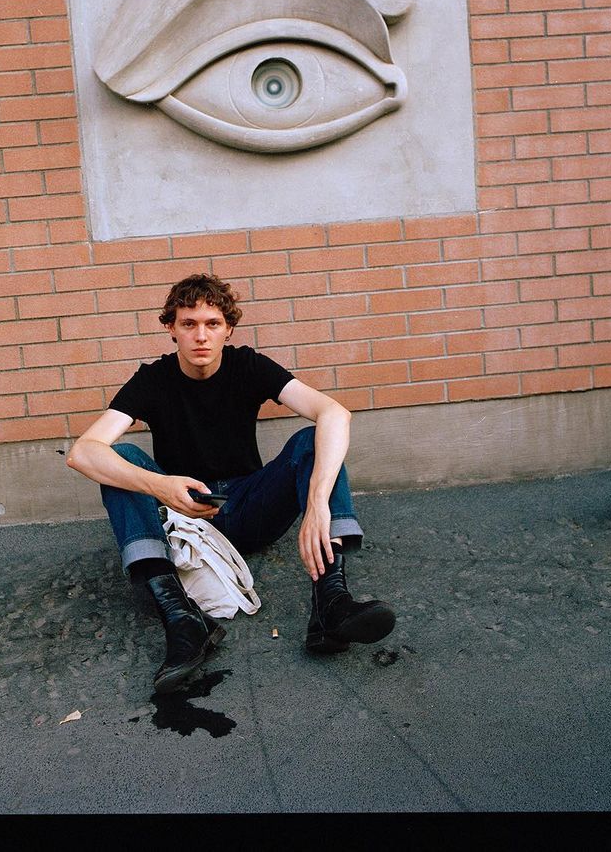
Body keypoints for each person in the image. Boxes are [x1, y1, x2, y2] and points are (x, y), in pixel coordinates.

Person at [67, 272, 396, 694]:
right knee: (122, 459)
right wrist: (159, 486)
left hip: (249, 507)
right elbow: (83, 451)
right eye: (189, 324)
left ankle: (331, 603)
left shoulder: (247, 365)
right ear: (171, 329)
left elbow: (334, 413)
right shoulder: (153, 379)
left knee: (312, 441)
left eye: (213, 324)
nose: (201, 336)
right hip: (187, 518)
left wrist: (317, 505)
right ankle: (183, 621)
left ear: (229, 329)